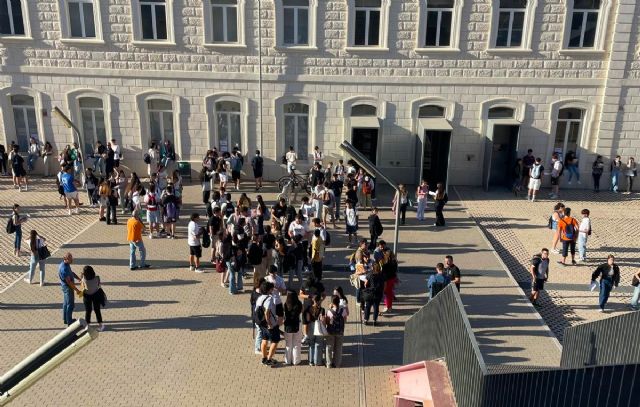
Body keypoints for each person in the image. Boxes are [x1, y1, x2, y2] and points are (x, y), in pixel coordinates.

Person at [256, 281, 281, 366]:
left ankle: (264, 358)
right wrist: (270, 323)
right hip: (269, 324)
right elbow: (267, 312)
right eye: (271, 288)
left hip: (261, 323)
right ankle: (269, 359)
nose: (272, 290)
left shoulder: (260, 298)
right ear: (269, 290)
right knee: (275, 341)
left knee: (264, 339)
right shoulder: (269, 299)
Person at [80, 265, 106, 331]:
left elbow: (82, 286)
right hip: (96, 294)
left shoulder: (84, 279)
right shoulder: (97, 278)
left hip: (87, 296)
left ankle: (87, 325)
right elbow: (98, 285)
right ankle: (101, 325)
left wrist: (81, 276)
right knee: (97, 310)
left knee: (88, 311)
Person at [59, 253, 81, 326]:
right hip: (68, 288)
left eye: (72, 258)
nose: (72, 260)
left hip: (66, 287)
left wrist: (78, 279)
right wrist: (77, 290)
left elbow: (71, 273)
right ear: (65, 259)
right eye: (70, 259)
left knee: (65, 303)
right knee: (70, 305)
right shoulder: (64, 269)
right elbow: (69, 282)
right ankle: (69, 321)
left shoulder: (65, 264)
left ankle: (65, 319)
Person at [325, 295, 347, 368]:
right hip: (340, 331)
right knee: (338, 348)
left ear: (332, 302)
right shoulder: (343, 310)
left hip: (331, 331)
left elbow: (327, 322)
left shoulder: (329, 311)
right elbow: (345, 320)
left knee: (329, 347)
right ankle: (337, 364)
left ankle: (329, 363)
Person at [303, 294, 325, 366]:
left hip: (311, 326)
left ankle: (310, 361)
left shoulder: (308, 308)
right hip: (319, 326)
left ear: (313, 300)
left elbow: (307, 320)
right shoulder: (322, 310)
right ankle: (318, 361)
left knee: (311, 344)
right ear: (320, 301)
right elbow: (323, 321)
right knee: (318, 344)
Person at [283, 290, 303, 366]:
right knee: (296, 344)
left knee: (288, 344)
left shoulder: (286, 304)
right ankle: (296, 361)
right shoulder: (299, 304)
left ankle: (287, 361)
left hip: (288, 326)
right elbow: (301, 311)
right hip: (297, 325)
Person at [362, 261, 384, 326]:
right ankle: (375, 320)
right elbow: (384, 284)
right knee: (376, 307)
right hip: (378, 293)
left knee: (368, 307)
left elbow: (365, 284)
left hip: (370, 293)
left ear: (372, 267)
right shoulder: (381, 275)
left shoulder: (369, 274)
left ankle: (366, 320)